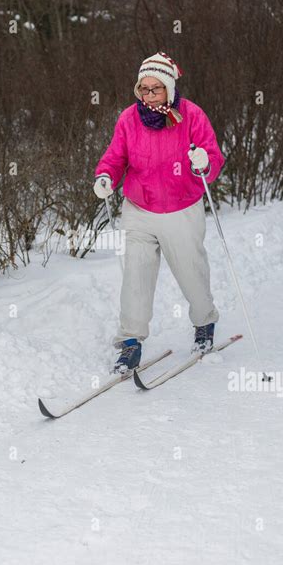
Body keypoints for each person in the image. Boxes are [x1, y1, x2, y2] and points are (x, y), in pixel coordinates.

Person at [93, 51, 225, 374]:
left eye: (156, 89)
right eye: (144, 89)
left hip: (181, 209)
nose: (149, 96)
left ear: (168, 87)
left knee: (191, 272)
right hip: (139, 209)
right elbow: (115, 156)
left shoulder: (191, 116)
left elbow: (212, 156)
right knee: (135, 278)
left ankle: (204, 325)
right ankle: (130, 343)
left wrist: (204, 163)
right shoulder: (128, 119)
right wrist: (106, 176)